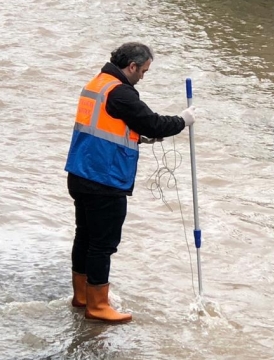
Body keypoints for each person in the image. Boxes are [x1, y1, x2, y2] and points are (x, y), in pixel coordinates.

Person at [64, 42, 196, 324]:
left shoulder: (98, 83)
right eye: (144, 71)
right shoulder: (121, 92)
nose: (143, 77)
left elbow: (109, 125)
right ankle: (98, 305)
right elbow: (153, 123)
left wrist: (138, 137)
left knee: (84, 237)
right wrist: (183, 120)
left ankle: (82, 296)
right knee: (103, 244)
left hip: (80, 174)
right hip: (104, 180)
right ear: (132, 66)